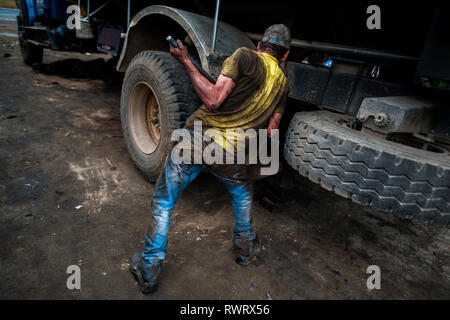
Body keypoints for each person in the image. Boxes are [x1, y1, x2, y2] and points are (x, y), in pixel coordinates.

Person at [130, 24, 291, 294]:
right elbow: (271, 131)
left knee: (164, 202)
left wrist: (185, 60)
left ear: (260, 46)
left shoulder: (244, 56)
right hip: (231, 155)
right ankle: (246, 248)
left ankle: (148, 269)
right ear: (285, 56)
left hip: (195, 141)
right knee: (241, 195)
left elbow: (214, 101)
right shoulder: (283, 85)